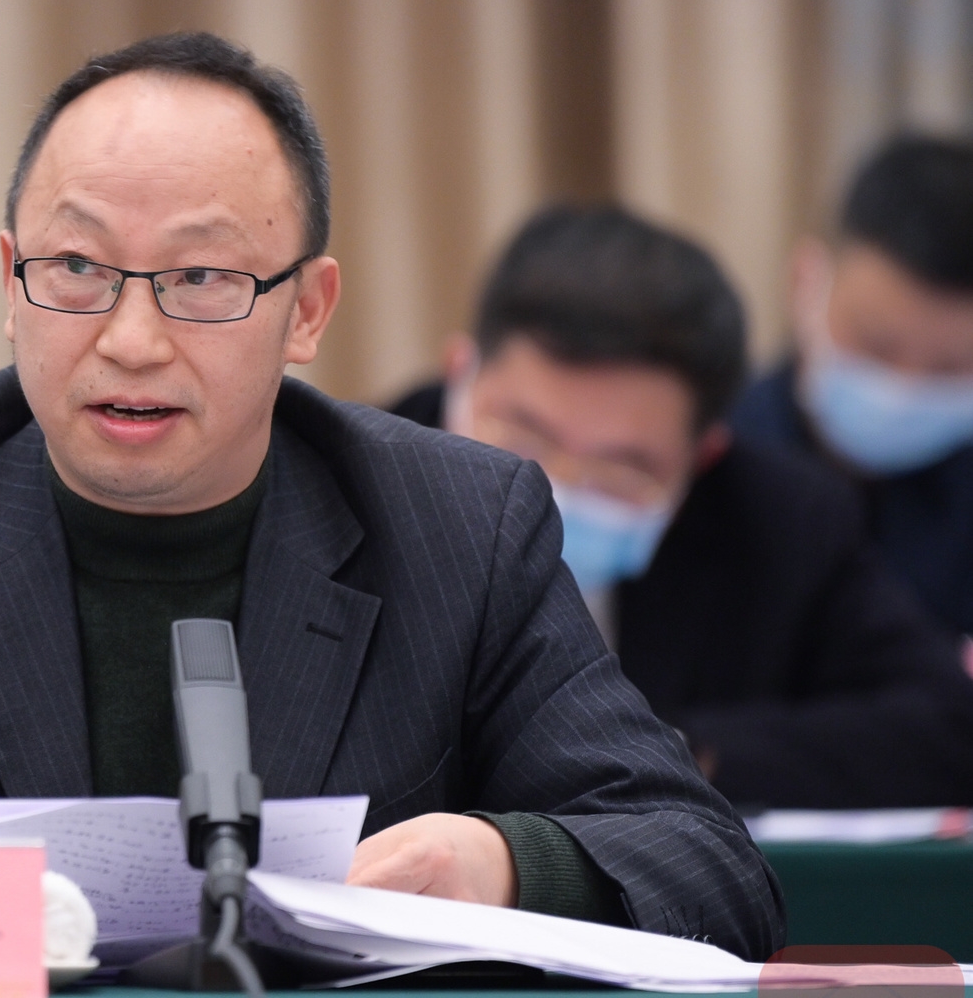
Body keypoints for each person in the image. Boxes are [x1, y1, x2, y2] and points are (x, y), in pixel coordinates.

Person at [0, 32, 783, 961]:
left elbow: (707, 867)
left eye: (201, 277)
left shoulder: (456, 527)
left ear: (307, 311)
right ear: (11, 285)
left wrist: (501, 864)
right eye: (76, 269)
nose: (129, 339)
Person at [391, 204, 973, 810]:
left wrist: (668, 751)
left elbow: (950, 730)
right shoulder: (347, 479)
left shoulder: (782, 521)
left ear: (703, 455)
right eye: (524, 436)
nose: (551, 486)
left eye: (622, 469)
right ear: (461, 371)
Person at [733, 135, 973, 641]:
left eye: (950, 370)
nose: (903, 391)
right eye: (876, 346)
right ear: (806, 281)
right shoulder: (707, 459)